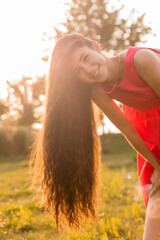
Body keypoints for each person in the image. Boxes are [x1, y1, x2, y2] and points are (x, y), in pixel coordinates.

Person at [29, 33, 160, 239]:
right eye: (78, 71)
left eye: (85, 58)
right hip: (151, 130)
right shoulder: (97, 89)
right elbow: (126, 129)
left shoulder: (142, 60)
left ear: (95, 47)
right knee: (156, 189)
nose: (88, 70)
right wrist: (157, 165)